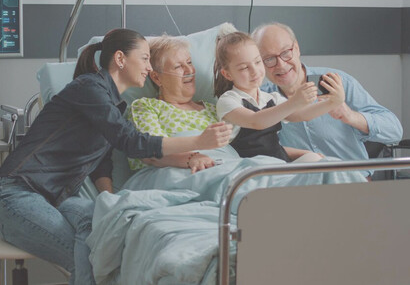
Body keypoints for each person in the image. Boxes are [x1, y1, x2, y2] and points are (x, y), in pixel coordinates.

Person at [0, 29, 231, 285]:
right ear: (120, 59)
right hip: (18, 192)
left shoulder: (112, 104)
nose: (148, 66)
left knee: (103, 227)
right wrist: (199, 142)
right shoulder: (90, 88)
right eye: (144, 58)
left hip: (59, 195)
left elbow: (100, 162)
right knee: (93, 254)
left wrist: (108, 198)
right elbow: (130, 142)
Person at [251, 22, 403, 176]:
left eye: (285, 53)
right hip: (299, 189)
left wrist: (350, 116)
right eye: (269, 59)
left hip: (352, 185)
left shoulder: (337, 82)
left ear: (296, 48)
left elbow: (395, 131)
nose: (281, 65)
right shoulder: (260, 100)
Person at [213, 31, 345, 162]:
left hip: (279, 163)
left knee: (322, 160)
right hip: (251, 168)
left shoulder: (270, 98)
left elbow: (300, 114)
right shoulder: (228, 101)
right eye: (244, 68)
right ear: (228, 74)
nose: (255, 71)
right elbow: (256, 121)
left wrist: (333, 102)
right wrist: (294, 102)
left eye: (258, 62)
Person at [128, 35, 233, 174]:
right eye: (178, 66)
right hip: (180, 172)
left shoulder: (215, 109)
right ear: (157, 77)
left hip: (229, 167)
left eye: (189, 62)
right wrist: (191, 158)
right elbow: (150, 153)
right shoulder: (146, 107)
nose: (189, 71)